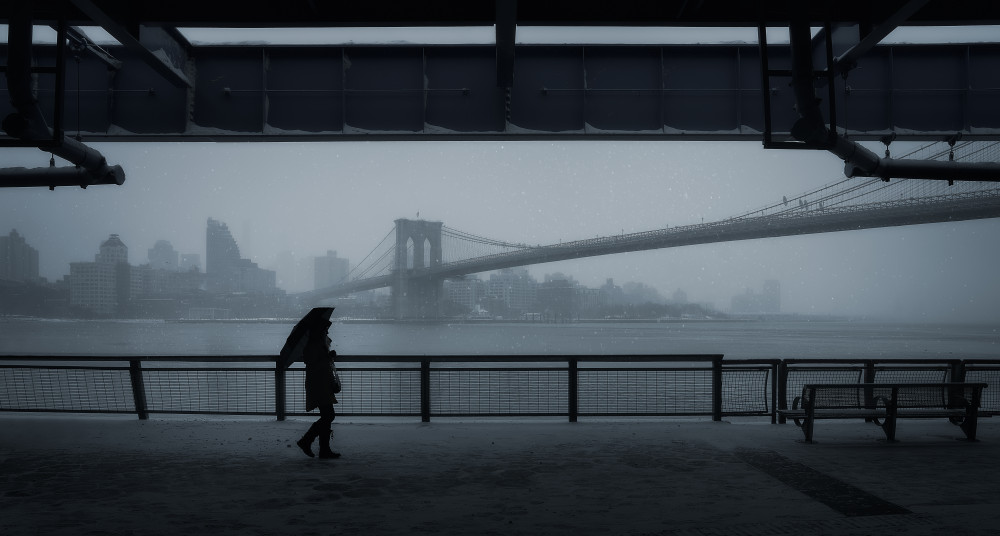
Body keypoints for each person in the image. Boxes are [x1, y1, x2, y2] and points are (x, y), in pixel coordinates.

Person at [295, 320, 341, 459]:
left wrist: (328, 356)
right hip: (319, 385)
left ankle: (323, 449)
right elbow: (315, 364)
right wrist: (328, 357)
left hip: (321, 384)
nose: (327, 331)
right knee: (328, 415)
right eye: (325, 329)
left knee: (327, 416)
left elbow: (317, 362)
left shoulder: (317, 344)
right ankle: (308, 441)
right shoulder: (313, 345)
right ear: (319, 330)